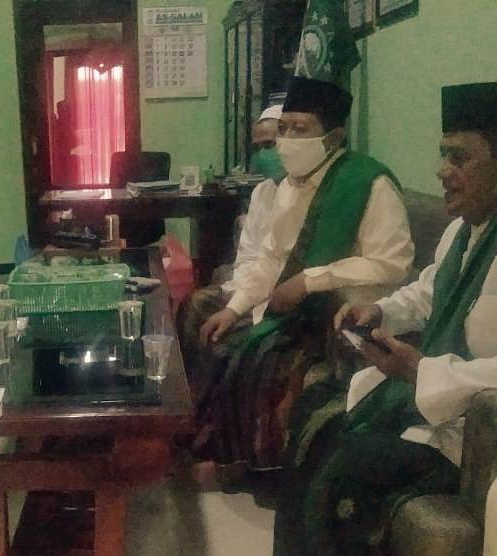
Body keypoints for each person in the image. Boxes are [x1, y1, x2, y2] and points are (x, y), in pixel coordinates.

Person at [275, 81, 497, 555]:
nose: (442, 171)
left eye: (459, 158)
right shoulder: (462, 231)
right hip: (426, 403)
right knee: (314, 419)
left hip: (468, 435)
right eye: (443, 155)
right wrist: (380, 310)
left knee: (347, 469)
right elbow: (428, 292)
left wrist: (421, 371)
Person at [194, 74, 414, 471]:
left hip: (341, 314)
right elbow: (271, 258)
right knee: (216, 324)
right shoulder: (289, 186)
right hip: (293, 306)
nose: (287, 139)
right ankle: (216, 442)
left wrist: (311, 280)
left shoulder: (369, 183)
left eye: (301, 129)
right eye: (283, 128)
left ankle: (253, 466)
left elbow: (390, 263)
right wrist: (235, 307)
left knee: (263, 357)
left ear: (333, 138)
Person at [177, 104, 283, 406]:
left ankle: (207, 410)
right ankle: (185, 398)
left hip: (277, 297)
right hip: (248, 289)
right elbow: (248, 254)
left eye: (270, 144)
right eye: (258, 147)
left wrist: (245, 304)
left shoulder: (307, 194)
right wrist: (237, 296)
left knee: (219, 332)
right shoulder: (263, 192)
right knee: (192, 305)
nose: (263, 154)